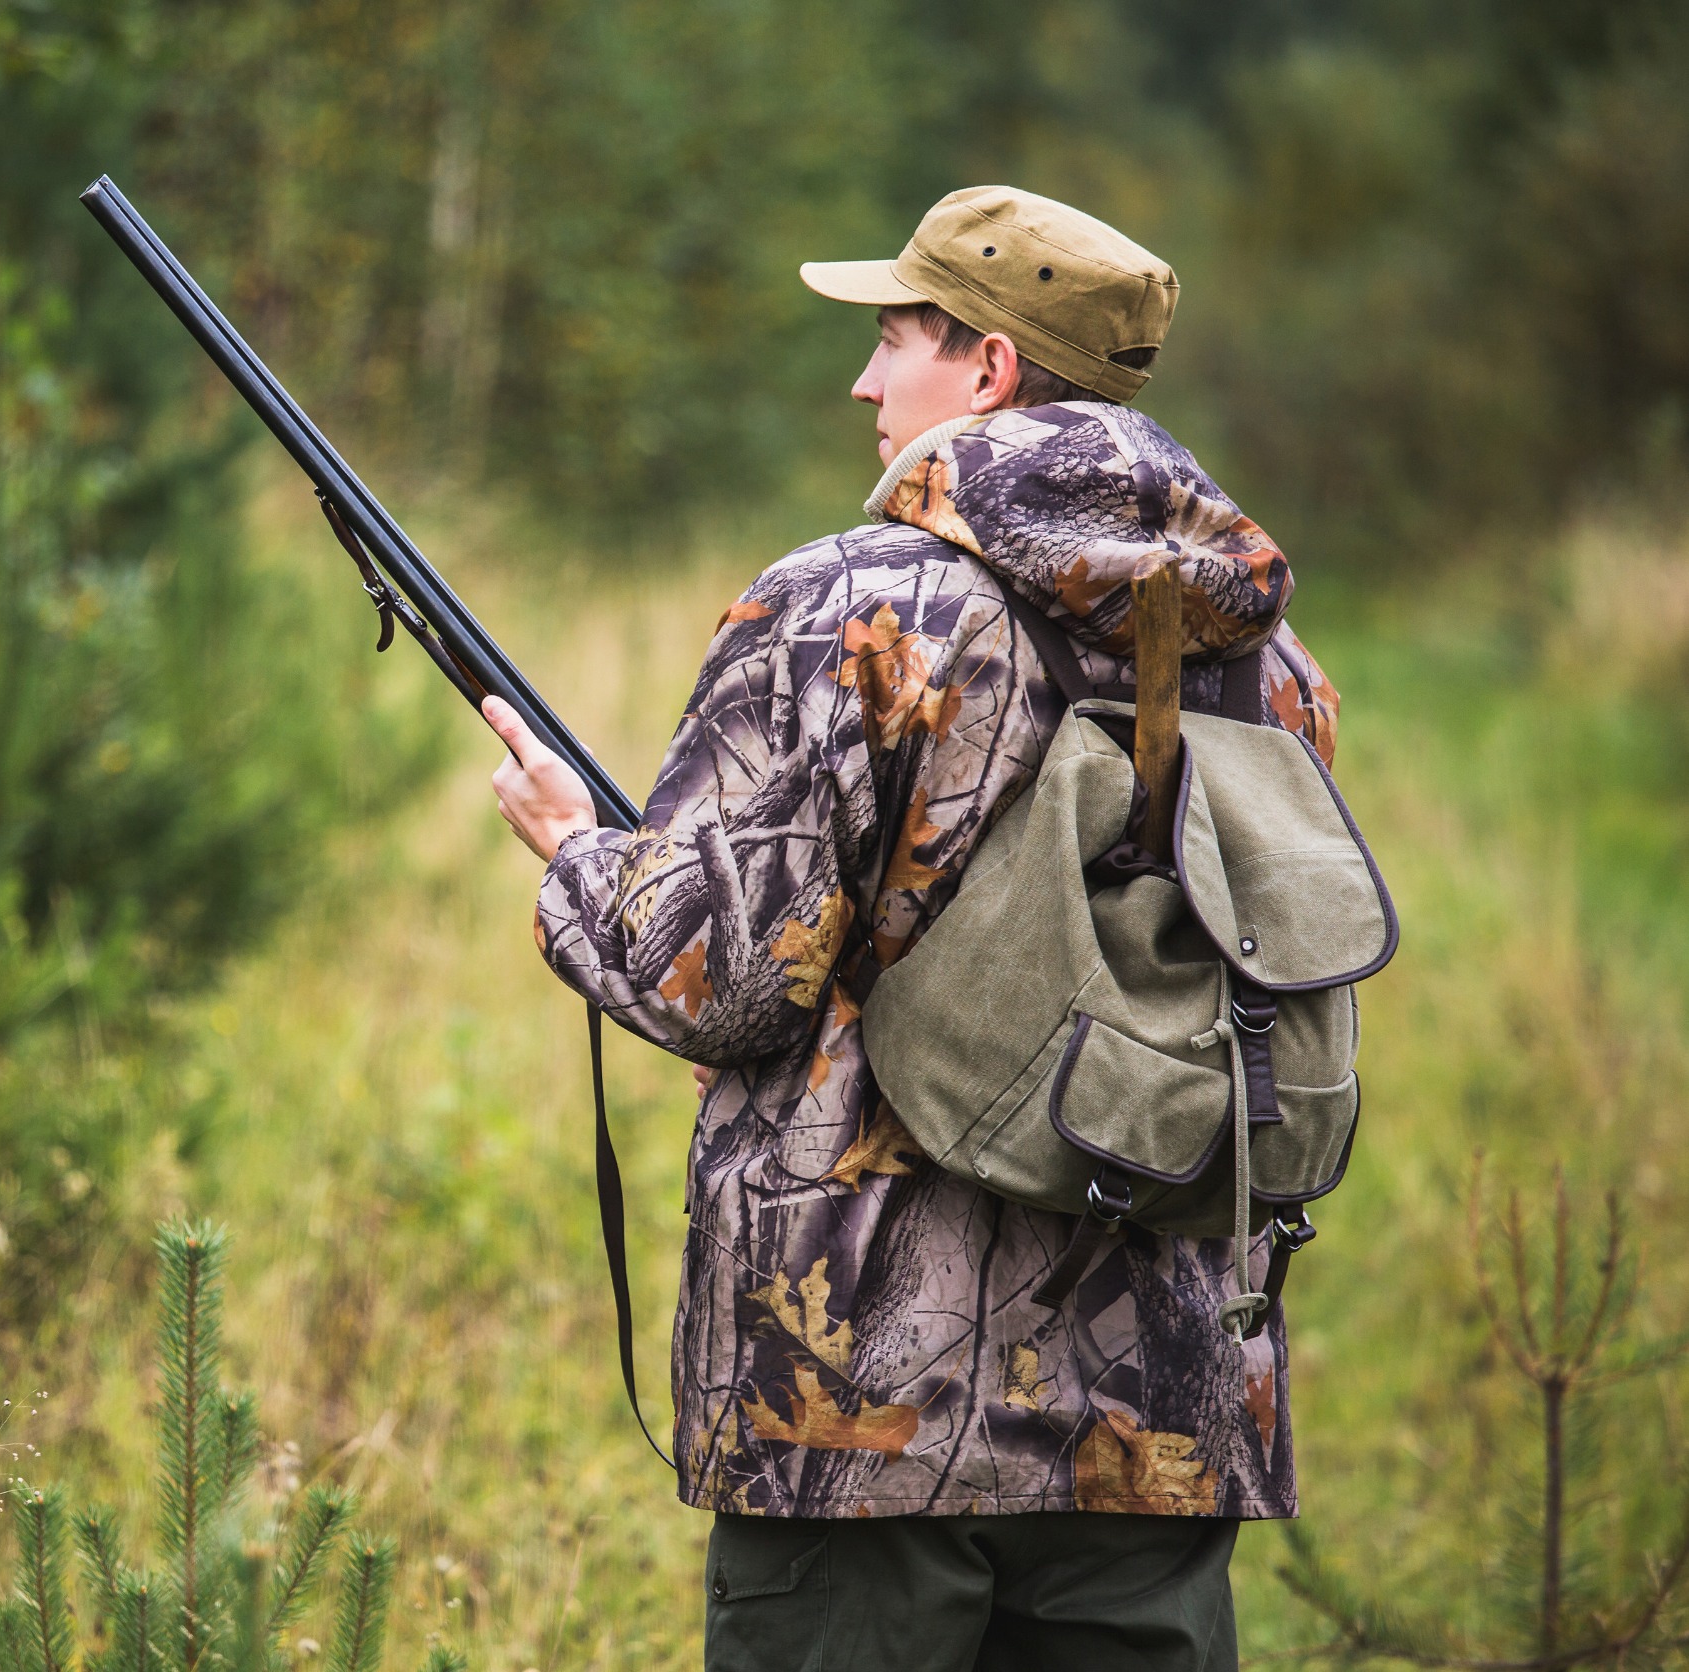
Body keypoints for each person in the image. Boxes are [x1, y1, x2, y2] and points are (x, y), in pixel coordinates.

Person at [479, 186, 1341, 1671]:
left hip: (857, 1405)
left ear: (991, 368)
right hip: (1164, 1397)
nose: (866, 384)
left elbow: (719, 983)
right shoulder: (1271, 658)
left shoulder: (852, 607)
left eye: (896, 341)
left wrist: (577, 857)